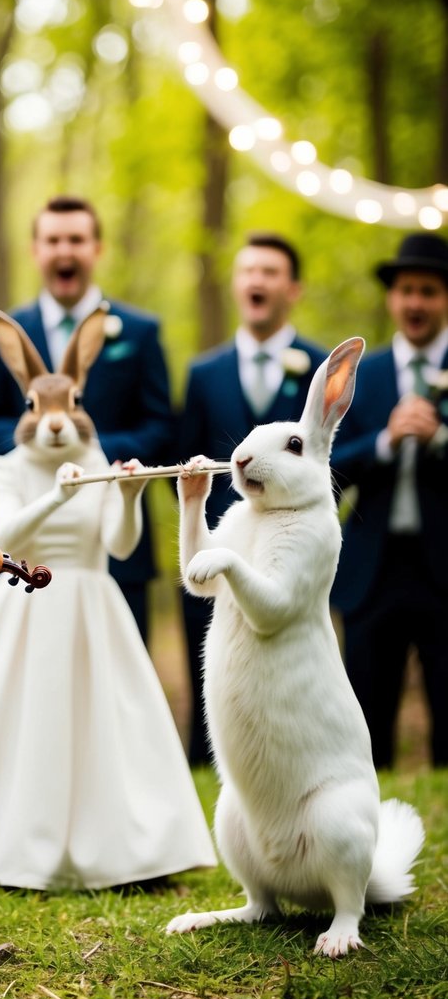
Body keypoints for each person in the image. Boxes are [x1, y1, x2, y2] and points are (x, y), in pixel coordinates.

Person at [0, 308, 216, 887]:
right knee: (12, 719)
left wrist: (130, 495)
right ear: (29, 408)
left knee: (110, 722)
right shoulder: (5, 466)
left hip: (94, 602)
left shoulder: (97, 461)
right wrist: (61, 496)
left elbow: (118, 545)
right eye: (43, 410)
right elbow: (9, 538)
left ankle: (125, 852)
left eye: (70, 408)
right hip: (25, 600)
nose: (58, 424)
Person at [0, 195, 176, 642]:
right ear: (36, 250)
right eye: (54, 240)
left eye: (77, 240)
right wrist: (37, 450)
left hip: (116, 544)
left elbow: (160, 426)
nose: (65, 251)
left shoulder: (140, 332)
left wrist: (93, 460)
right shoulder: (6, 329)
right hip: (30, 548)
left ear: (96, 249)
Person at [179, 233, 327, 763]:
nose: (257, 281)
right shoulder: (203, 372)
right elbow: (187, 446)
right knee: (215, 678)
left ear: (292, 288)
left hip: (285, 551)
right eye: (248, 271)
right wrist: (193, 500)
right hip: (225, 533)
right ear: (237, 284)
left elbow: (327, 456)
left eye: (270, 272)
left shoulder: (315, 365)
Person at [331, 232, 448, 769]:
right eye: (406, 290)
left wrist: (439, 439)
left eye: (428, 291)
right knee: (365, 726)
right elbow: (327, 465)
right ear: (391, 298)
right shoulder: (361, 374)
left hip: (444, 569)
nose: (416, 303)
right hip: (371, 575)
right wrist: (384, 439)